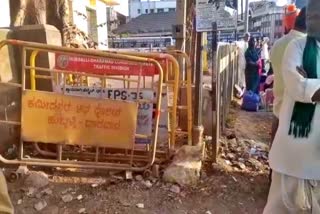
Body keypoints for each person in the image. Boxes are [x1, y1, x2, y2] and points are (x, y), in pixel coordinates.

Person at [263, 1, 320, 213]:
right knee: (284, 200)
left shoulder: (280, 44)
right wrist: (308, 87)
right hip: (294, 135)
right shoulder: (295, 47)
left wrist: (310, 84)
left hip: (310, 140)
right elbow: (297, 86)